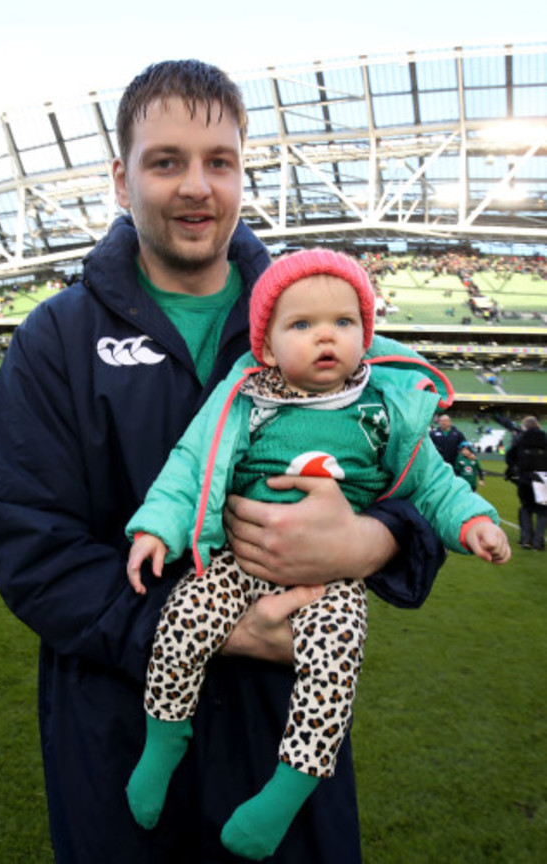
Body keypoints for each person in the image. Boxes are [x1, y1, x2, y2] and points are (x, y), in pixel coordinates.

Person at [0, 60, 449, 864]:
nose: (197, 185)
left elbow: (425, 484)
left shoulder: (318, 319)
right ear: (122, 181)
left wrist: (375, 541)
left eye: (218, 162)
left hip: (280, 727)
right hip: (115, 730)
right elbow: (31, 548)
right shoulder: (54, 340)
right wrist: (207, 630)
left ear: (241, 174)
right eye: (166, 162)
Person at [125, 249, 510, 861]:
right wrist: (157, 528)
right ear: (269, 348)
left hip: (330, 578)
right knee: (182, 621)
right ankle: (164, 737)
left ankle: (289, 787)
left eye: (344, 322)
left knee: (337, 661)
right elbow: (191, 463)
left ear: (368, 334)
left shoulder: (385, 409)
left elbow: (433, 484)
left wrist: (474, 522)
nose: (326, 335)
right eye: (301, 325)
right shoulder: (246, 397)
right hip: (236, 562)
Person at [505, 416, 547, 550]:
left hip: (525, 477)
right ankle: (538, 542)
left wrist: (514, 468)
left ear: (525, 426)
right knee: (542, 510)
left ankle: (526, 539)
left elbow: (510, 456)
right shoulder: (544, 438)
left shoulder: (520, 439)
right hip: (541, 477)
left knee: (526, 507)